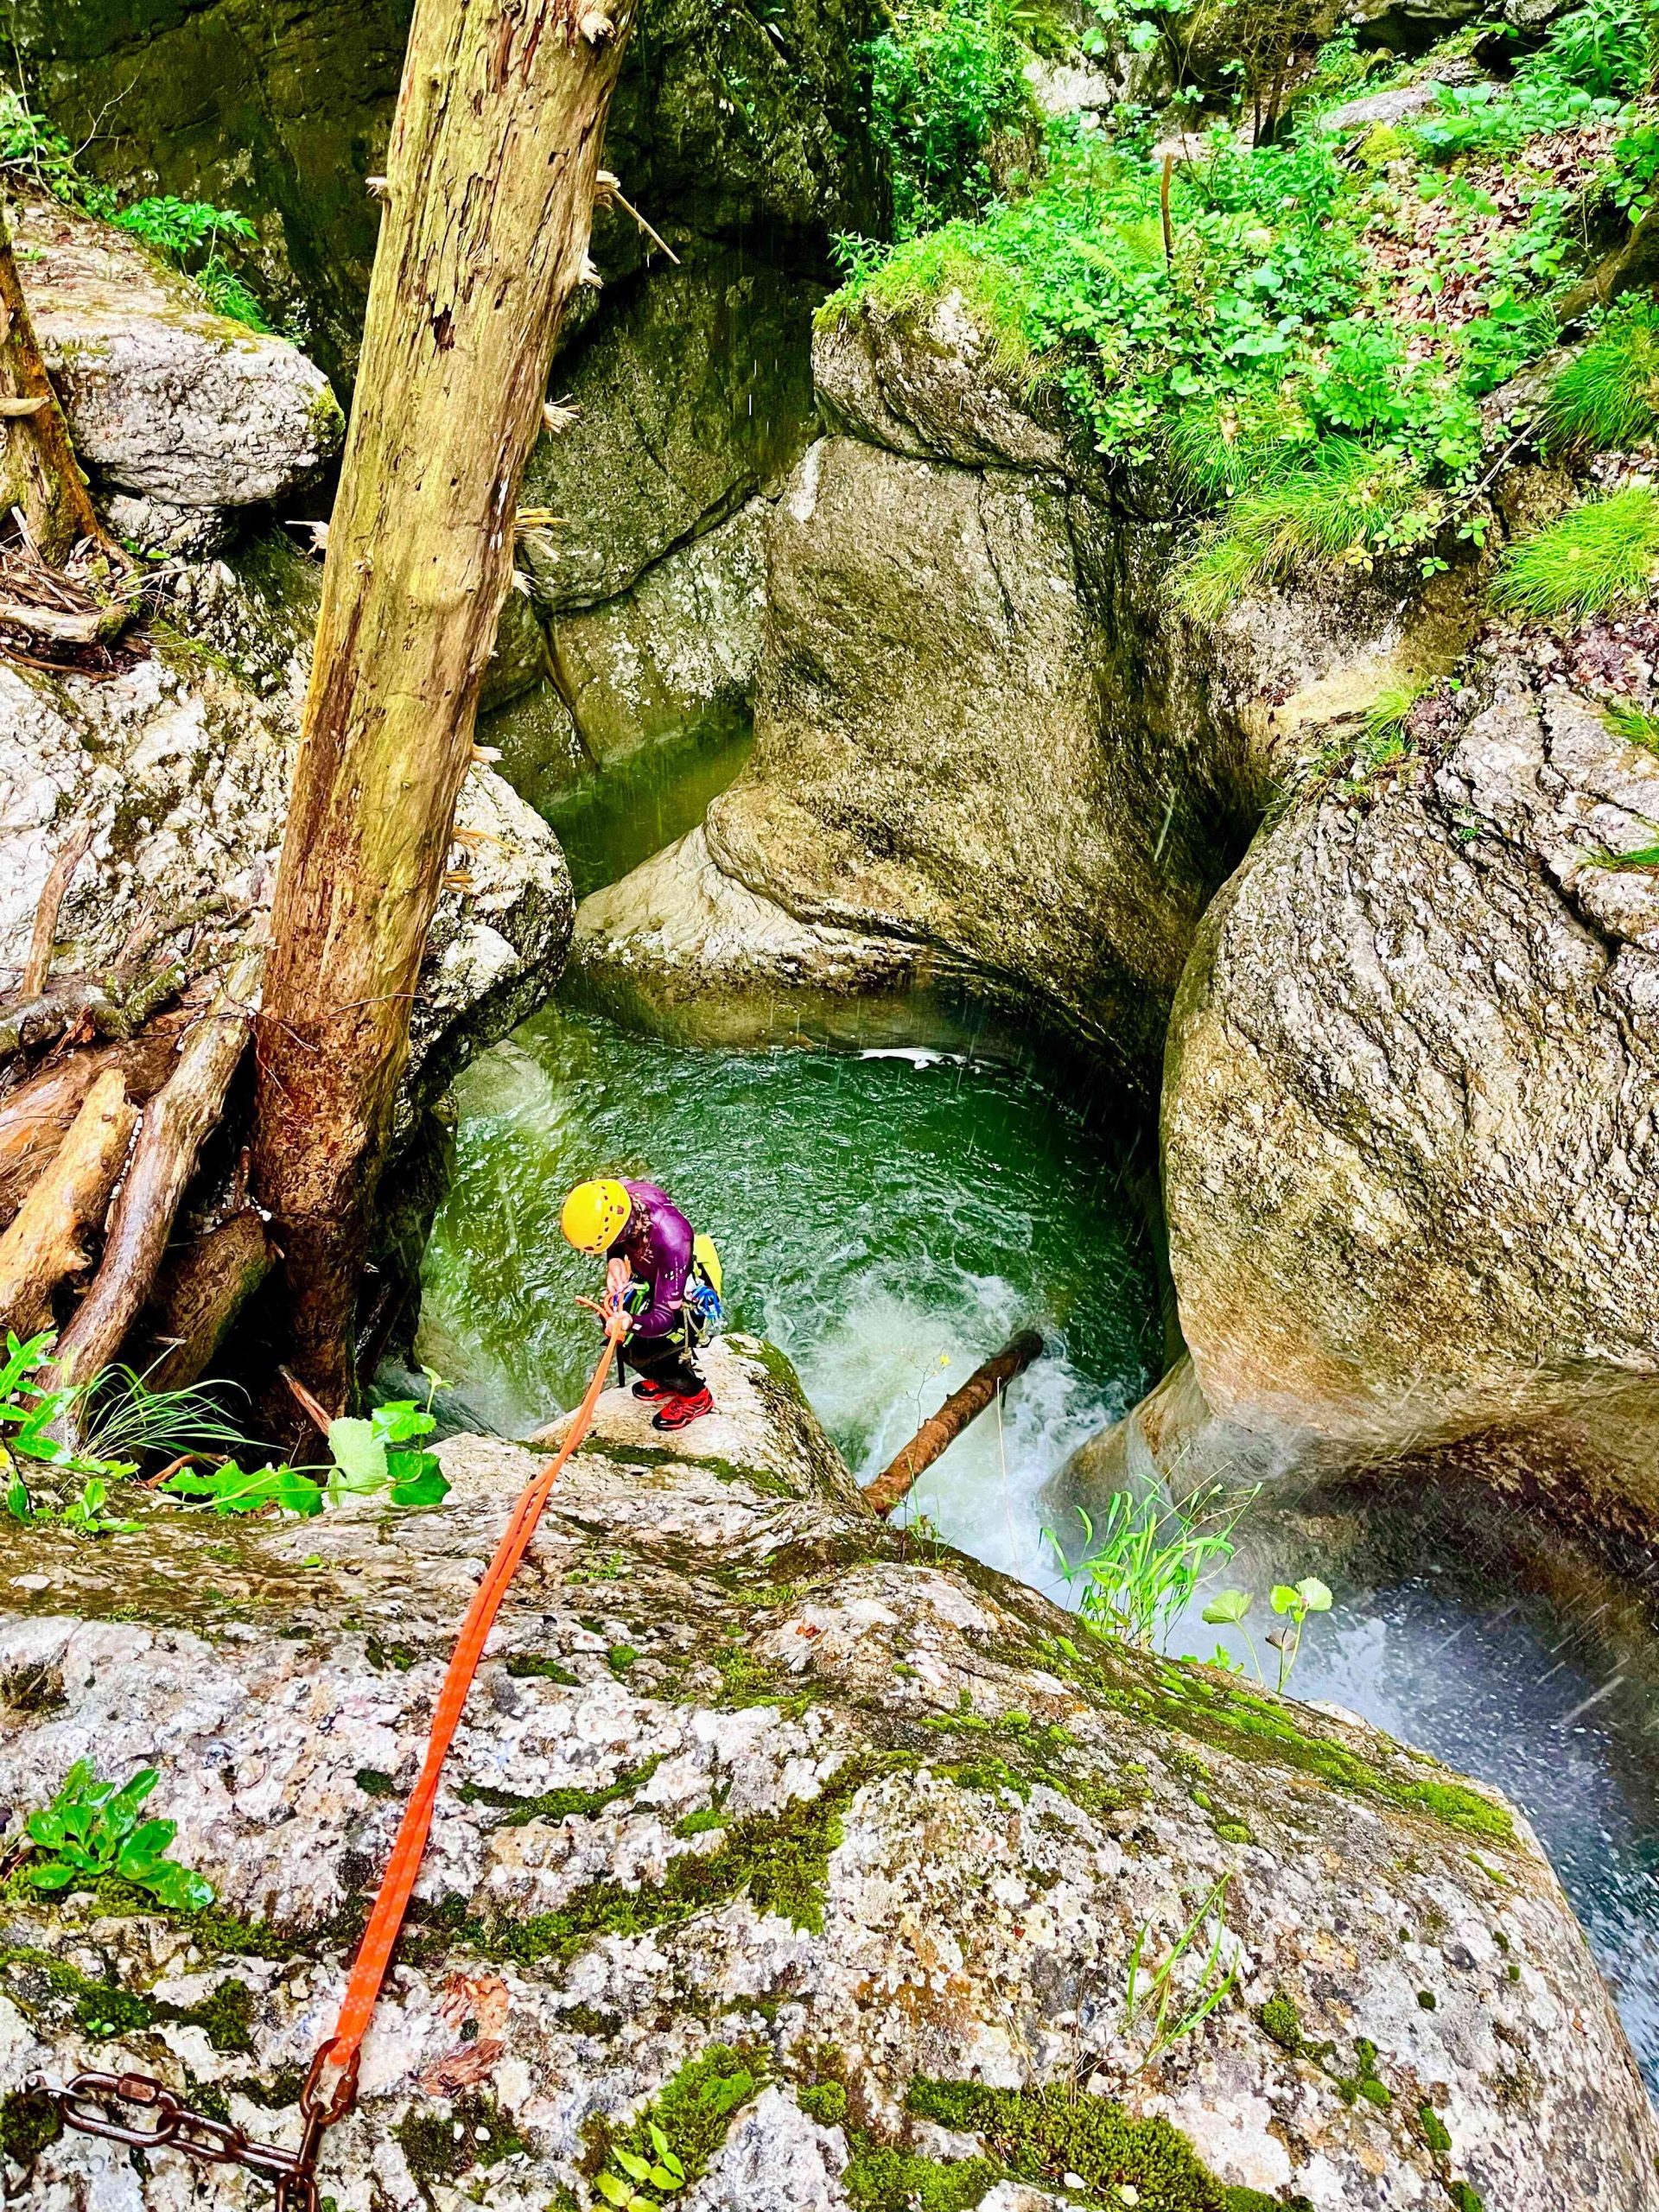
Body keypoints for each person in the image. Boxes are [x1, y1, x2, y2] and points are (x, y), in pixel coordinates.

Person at [559, 1178, 723, 1431]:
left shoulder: (672, 1238)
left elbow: (665, 1319)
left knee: (652, 1356)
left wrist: (631, 1322)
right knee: (628, 1346)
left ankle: (695, 1396)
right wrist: (614, 1260)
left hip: (679, 1296)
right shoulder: (623, 1197)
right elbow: (617, 1236)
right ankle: (666, 1382)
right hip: (652, 1278)